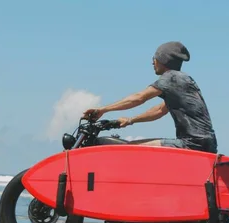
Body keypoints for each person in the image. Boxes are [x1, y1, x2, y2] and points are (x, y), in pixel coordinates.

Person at [82, 41, 218, 153]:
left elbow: (139, 97)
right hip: (206, 143)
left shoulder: (171, 78)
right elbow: (159, 110)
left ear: (164, 59)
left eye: (155, 58)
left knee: (129, 150)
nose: (153, 62)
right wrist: (130, 120)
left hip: (191, 144)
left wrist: (103, 110)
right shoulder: (183, 80)